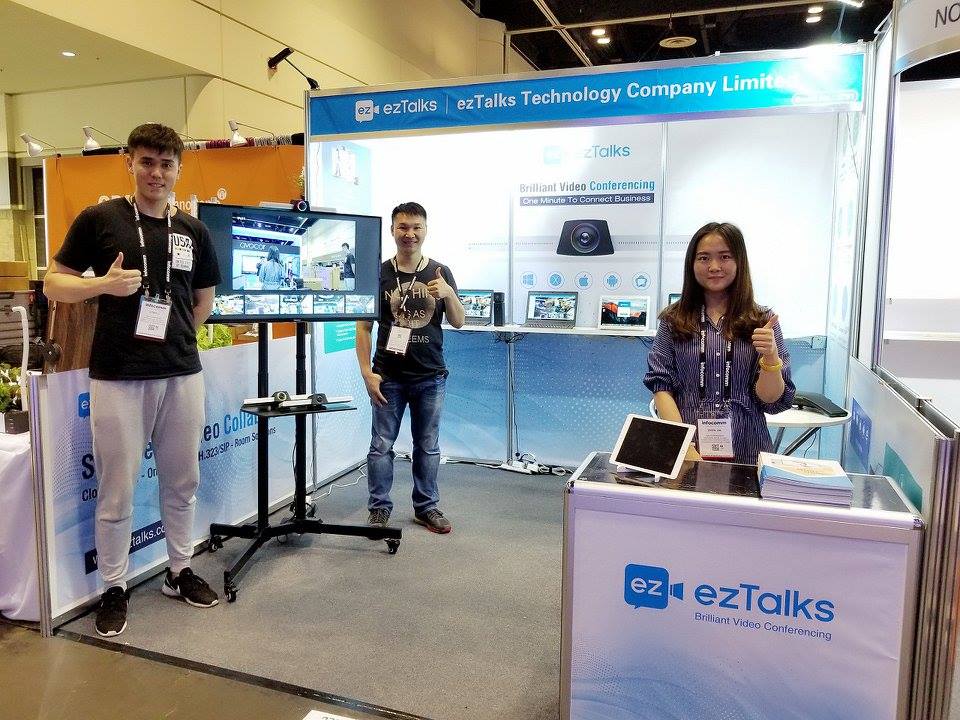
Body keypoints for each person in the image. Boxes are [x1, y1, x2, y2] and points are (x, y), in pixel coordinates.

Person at [44, 123, 222, 637]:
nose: (156, 173)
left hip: (181, 373)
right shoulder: (100, 219)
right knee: (117, 488)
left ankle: (179, 570)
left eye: (166, 164)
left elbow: (203, 300)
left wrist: (175, 338)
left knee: (183, 481)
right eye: (147, 162)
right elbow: (55, 283)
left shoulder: (193, 229)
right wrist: (103, 284)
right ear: (129, 162)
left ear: (178, 169)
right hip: (118, 376)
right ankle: (114, 586)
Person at [644, 221, 795, 464]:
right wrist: (683, 447)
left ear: (739, 262)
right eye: (704, 258)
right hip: (689, 451)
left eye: (724, 257)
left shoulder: (762, 321)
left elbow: (771, 399)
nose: (714, 267)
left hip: (748, 450)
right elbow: (661, 387)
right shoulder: (673, 320)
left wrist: (770, 355)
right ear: (692, 264)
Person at [355, 202, 465, 534]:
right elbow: (363, 328)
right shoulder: (378, 273)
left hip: (430, 376)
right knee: (381, 446)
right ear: (392, 230)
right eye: (403, 227)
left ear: (425, 230)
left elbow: (459, 321)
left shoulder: (441, 272)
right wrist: (366, 373)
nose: (410, 234)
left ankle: (426, 507)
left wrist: (448, 294)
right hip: (388, 376)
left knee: (427, 446)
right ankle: (379, 508)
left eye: (416, 227)